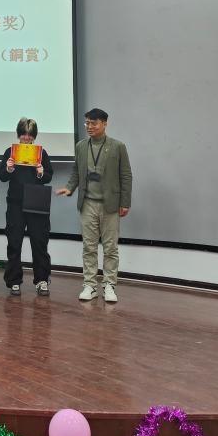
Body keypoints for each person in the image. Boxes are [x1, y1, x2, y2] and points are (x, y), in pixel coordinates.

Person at [56, 108, 132, 303]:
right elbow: (76, 171)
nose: (89, 127)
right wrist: (69, 188)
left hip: (110, 205)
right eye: (87, 123)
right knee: (89, 247)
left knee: (110, 248)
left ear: (104, 124)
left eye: (94, 123)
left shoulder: (117, 146)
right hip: (87, 203)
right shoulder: (81, 146)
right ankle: (89, 285)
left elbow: (126, 175)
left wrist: (125, 202)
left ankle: (109, 285)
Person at [0, 118, 53, 297]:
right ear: (18, 134)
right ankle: (14, 281)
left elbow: (49, 176)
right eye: (23, 134)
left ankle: (42, 280)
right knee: (14, 242)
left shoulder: (41, 153)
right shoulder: (10, 152)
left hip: (36, 203)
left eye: (30, 135)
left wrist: (41, 173)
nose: (26, 138)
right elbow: (2, 177)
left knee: (39, 242)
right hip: (16, 203)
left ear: (34, 136)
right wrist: (9, 169)